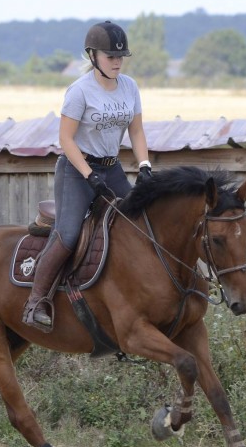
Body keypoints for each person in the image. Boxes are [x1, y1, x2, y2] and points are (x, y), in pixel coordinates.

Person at [22, 20, 152, 332]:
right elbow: (66, 139)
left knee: (141, 223)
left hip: (112, 167)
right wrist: (89, 175)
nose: (117, 62)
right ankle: (36, 302)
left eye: (121, 57)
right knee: (68, 236)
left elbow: (136, 130)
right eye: (110, 56)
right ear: (92, 56)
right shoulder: (79, 91)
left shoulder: (130, 87)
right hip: (76, 170)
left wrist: (145, 165)